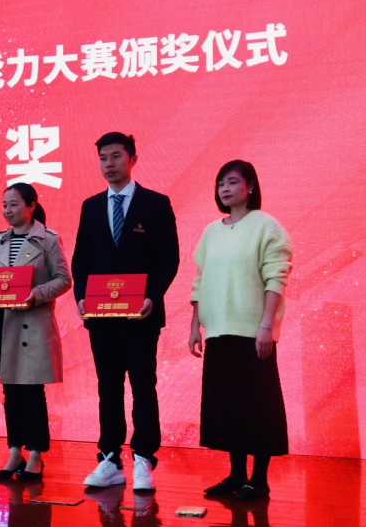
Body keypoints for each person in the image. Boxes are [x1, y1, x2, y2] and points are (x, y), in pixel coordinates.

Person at [72, 132, 179, 491]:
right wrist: (82, 299)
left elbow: (168, 258)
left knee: (143, 385)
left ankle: (144, 457)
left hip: (140, 315)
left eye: (116, 156)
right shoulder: (90, 206)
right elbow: (81, 260)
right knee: (108, 386)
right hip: (102, 315)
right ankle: (109, 458)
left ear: (132, 159)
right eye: (103, 158)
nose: (109, 164)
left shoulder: (155, 203)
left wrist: (152, 296)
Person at [188, 160, 292, 501]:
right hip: (218, 332)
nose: (225, 189)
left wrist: (266, 326)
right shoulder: (211, 232)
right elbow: (200, 280)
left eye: (232, 182)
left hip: (253, 333)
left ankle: (258, 480)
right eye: (220, 183)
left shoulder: (267, 226)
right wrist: (195, 326)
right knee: (228, 406)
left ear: (250, 186)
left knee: (257, 406)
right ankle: (236, 476)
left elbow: (276, 278)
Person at [0, 183, 72, 481]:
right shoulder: (0, 239)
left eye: (14, 204)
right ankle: (14, 451)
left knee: (32, 392)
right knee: (11, 392)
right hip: (4, 324)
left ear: (31, 206)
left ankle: (36, 455)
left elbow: (64, 279)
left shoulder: (49, 239)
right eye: (4, 205)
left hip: (32, 324)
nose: (7, 210)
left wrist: (37, 293)